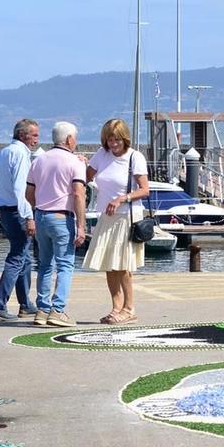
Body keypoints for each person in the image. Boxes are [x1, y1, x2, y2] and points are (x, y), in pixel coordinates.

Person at [81, 118, 150, 324]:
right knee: (109, 264)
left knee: (122, 264)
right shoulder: (101, 155)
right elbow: (86, 177)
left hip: (127, 216)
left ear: (124, 138)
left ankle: (129, 308)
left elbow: (145, 190)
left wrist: (122, 198)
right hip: (107, 215)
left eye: (117, 140)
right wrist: (78, 162)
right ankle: (116, 307)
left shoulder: (135, 157)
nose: (113, 144)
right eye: (109, 140)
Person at [24, 121, 88, 327]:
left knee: (44, 264)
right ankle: (57, 310)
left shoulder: (39, 160)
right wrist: (81, 225)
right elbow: (78, 193)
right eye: (75, 138)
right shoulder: (74, 162)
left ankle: (42, 310)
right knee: (65, 265)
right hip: (62, 216)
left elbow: (29, 193)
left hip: (41, 215)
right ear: (69, 139)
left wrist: (38, 208)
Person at [0, 118, 40, 322]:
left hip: (6, 210)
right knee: (17, 257)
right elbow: (20, 189)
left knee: (24, 257)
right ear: (23, 135)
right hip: (18, 211)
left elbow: (1, 185)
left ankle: (25, 304)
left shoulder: (4, 152)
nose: (37, 140)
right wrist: (29, 216)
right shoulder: (21, 154)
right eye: (34, 135)